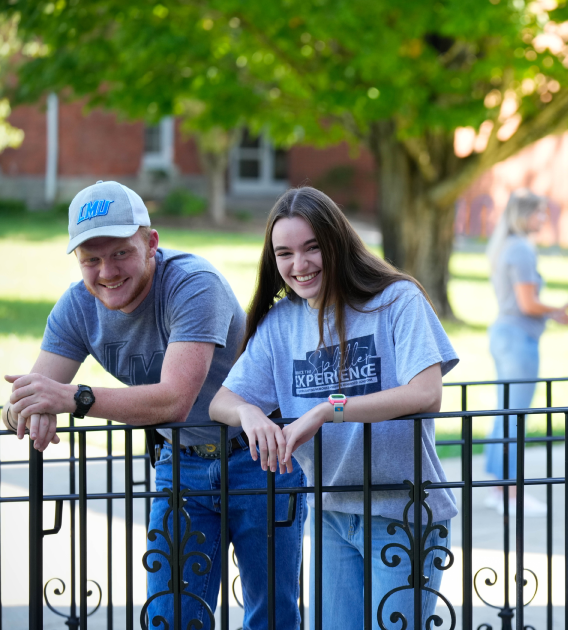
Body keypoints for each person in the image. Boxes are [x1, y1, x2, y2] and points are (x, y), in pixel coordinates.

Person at [1, 181, 305, 629]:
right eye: (91, 259)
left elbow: (174, 400)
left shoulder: (193, 285)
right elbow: (27, 395)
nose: (106, 271)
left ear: (151, 243)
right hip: (180, 465)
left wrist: (71, 398)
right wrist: (30, 410)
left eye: (120, 253)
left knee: (271, 614)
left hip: (260, 455)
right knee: (169, 616)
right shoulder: (77, 308)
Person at [208, 187, 459, 628]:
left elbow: (426, 393)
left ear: (336, 242)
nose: (298, 265)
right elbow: (222, 402)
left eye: (312, 248)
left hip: (404, 511)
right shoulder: (280, 323)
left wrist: (328, 409)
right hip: (331, 513)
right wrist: (249, 413)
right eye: (284, 253)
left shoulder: (397, 300)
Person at [483, 189, 568, 516]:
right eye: (539, 213)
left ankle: (498, 489)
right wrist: (557, 310)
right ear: (523, 214)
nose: (543, 219)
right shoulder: (520, 249)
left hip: (506, 334)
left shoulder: (506, 245)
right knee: (514, 416)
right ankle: (509, 493)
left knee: (505, 412)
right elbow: (528, 303)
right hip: (518, 339)